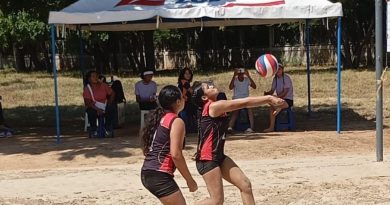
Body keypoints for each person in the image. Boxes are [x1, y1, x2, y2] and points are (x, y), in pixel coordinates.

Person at [191, 81, 285, 205]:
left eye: (211, 84)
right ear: (204, 97)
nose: (212, 85)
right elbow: (244, 102)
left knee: (245, 185)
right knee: (216, 201)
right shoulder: (213, 106)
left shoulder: (213, 106)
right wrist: (268, 98)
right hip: (207, 159)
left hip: (218, 156)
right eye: (208, 87)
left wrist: (278, 102)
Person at [140, 85, 198, 205]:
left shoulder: (159, 117)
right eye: (182, 97)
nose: (184, 99)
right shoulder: (176, 121)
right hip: (158, 174)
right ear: (178, 102)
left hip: (148, 171)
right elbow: (176, 154)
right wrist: (189, 180)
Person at [83, 70, 115, 137]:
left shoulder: (103, 85)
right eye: (93, 76)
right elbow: (88, 103)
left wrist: (109, 102)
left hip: (104, 105)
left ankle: (107, 128)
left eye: (96, 76)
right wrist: (97, 109)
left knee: (111, 108)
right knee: (91, 111)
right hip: (93, 106)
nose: (95, 78)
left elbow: (112, 93)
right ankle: (94, 130)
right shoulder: (87, 89)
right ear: (89, 79)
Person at [263, 64, 294, 132]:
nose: (278, 71)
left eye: (279, 69)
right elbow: (272, 90)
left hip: (288, 99)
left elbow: (285, 92)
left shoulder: (286, 78)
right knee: (270, 106)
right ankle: (271, 127)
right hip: (279, 100)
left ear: (282, 70)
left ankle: (280, 107)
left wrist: (277, 97)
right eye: (276, 69)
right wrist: (267, 94)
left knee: (280, 102)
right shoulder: (275, 79)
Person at [227, 68, 257, 133]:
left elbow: (254, 86)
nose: (240, 74)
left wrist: (248, 75)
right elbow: (230, 87)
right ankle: (230, 127)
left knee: (249, 110)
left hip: (245, 99)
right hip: (237, 99)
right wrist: (234, 76)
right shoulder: (235, 80)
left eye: (242, 73)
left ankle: (251, 128)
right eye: (239, 73)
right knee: (236, 111)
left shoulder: (247, 80)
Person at [177, 67, 197, 133]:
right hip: (184, 104)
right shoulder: (185, 82)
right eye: (186, 73)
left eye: (189, 73)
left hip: (182, 103)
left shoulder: (182, 82)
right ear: (182, 75)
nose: (188, 75)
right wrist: (196, 85)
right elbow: (191, 91)